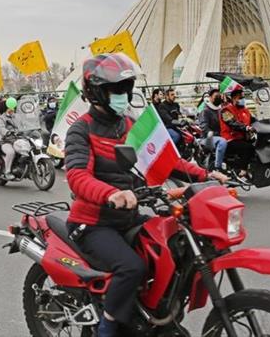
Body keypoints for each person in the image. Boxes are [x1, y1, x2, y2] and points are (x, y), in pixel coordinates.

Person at [64, 54, 227, 337]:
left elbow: (166, 160)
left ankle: (151, 315)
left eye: (125, 89)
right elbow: (78, 177)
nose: (121, 96)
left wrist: (205, 175)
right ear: (96, 92)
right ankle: (107, 327)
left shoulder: (128, 125)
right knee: (132, 267)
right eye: (115, 90)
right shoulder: (82, 129)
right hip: (93, 223)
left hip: (128, 216)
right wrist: (112, 193)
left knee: (173, 252)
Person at [220, 88, 255, 177]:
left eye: (243, 97)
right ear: (234, 98)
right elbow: (232, 123)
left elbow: (253, 120)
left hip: (242, 137)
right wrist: (246, 127)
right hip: (230, 138)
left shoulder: (245, 110)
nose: (243, 99)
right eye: (240, 97)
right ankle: (242, 170)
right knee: (248, 148)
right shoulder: (225, 110)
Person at [197, 89, 228, 170]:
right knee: (222, 142)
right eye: (216, 97)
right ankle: (218, 167)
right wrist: (216, 134)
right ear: (210, 98)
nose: (218, 98)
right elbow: (204, 127)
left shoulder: (220, 110)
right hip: (208, 138)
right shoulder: (205, 111)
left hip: (221, 135)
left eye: (219, 96)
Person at [0, 97, 19, 175]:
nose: (12, 109)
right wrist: (8, 132)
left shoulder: (17, 116)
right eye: (10, 108)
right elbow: (1, 129)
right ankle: (7, 171)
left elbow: (23, 125)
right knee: (11, 152)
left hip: (18, 139)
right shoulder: (1, 118)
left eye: (13, 108)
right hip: (6, 140)